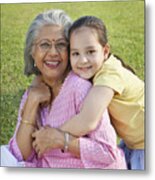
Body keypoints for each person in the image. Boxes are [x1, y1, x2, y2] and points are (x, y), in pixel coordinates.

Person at [1, 10, 126, 169]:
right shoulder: (33, 92)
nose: (53, 53)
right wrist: (32, 102)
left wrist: (62, 140)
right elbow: (19, 155)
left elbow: (108, 153)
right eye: (45, 44)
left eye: (61, 44)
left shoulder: (79, 88)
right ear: (32, 52)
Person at [55, 16, 144, 170]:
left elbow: (88, 121)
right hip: (132, 143)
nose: (83, 60)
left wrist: (53, 134)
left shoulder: (110, 75)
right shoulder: (96, 70)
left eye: (90, 51)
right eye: (75, 53)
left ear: (105, 51)